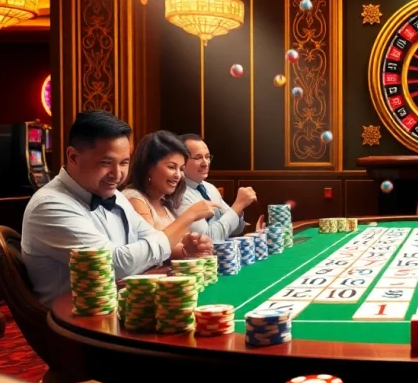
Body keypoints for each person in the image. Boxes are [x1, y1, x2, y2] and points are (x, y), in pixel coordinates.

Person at [21, 111, 219, 307]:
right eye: (106, 163)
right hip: (77, 325)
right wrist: (186, 219)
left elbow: (151, 237)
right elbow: (115, 265)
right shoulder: (50, 205)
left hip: (122, 308)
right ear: (73, 157)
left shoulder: (114, 196)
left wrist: (185, 249)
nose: (117, 174)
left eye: (124, 163)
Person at [122, 130, 219, 259]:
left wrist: (193, 246)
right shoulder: (134, 198)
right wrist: (191, 215)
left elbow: (173, 248)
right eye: (172, 167)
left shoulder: (165, 201)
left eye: (181, 169)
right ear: (149, 167)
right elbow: (152, 248)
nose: (178, 175)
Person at [176, 134, 258, 240]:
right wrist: (239, 205)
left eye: (207, 157)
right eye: (197, 158)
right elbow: (208, 239)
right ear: (181, 161)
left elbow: (237, 229)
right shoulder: (178, 194)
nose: (205, 163)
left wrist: (239, 209)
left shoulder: (210, 188)